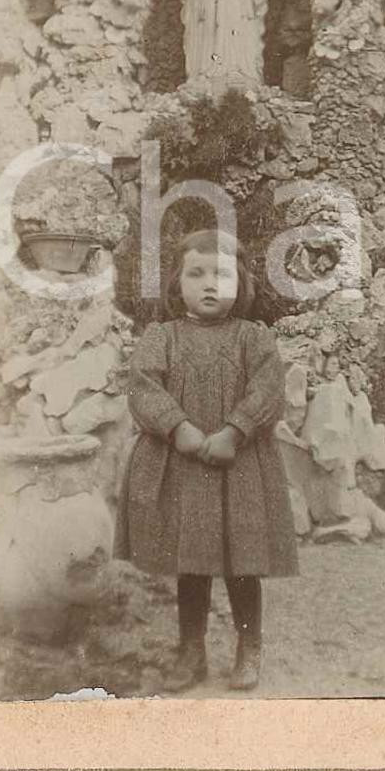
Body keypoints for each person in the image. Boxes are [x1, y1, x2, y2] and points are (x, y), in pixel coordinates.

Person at [114, 228, 298, 693]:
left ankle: (248, 647)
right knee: (190, 564)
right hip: (185, 469)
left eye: (222, 275)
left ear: (242, 284)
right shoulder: (163, 338)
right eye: (196, 274)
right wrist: (181, 429)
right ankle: (190, 651)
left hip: (240, 468)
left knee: (242, 563)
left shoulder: (254, 340)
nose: (209, 284)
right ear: (178, 285)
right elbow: (143, 386)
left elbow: (269, 389)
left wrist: (235, 430)